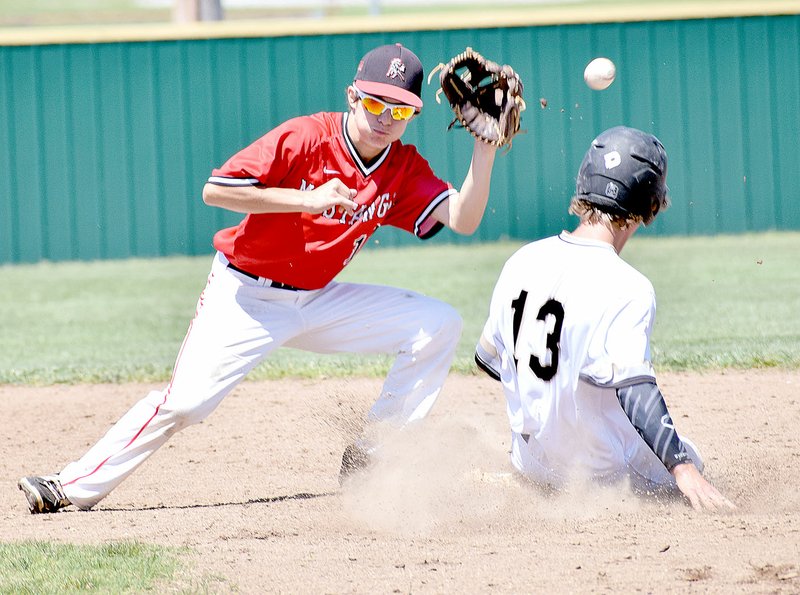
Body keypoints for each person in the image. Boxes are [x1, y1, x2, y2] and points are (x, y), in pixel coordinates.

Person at [19, 43, 501, 513]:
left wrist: (484, 148)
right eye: (375, 102)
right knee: (185, 405)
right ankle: (69, 485)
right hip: (246, 294)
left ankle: (373, 455)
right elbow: (216, 191)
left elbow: (463, 218)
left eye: (399, 110)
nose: (384, 118)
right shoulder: (306, 137)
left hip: (316, 300)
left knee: (437, 324)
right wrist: (305, 200)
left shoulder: (401, 167)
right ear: (352, 95)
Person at [474, 126, 735, 511]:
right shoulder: (628, 286)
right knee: (691, 459)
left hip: (530, 463)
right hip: (596, 475)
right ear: (650, 204)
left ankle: (523, 481)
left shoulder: (521, 260)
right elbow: (636, 389)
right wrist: (682, 468)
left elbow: (489, 360)